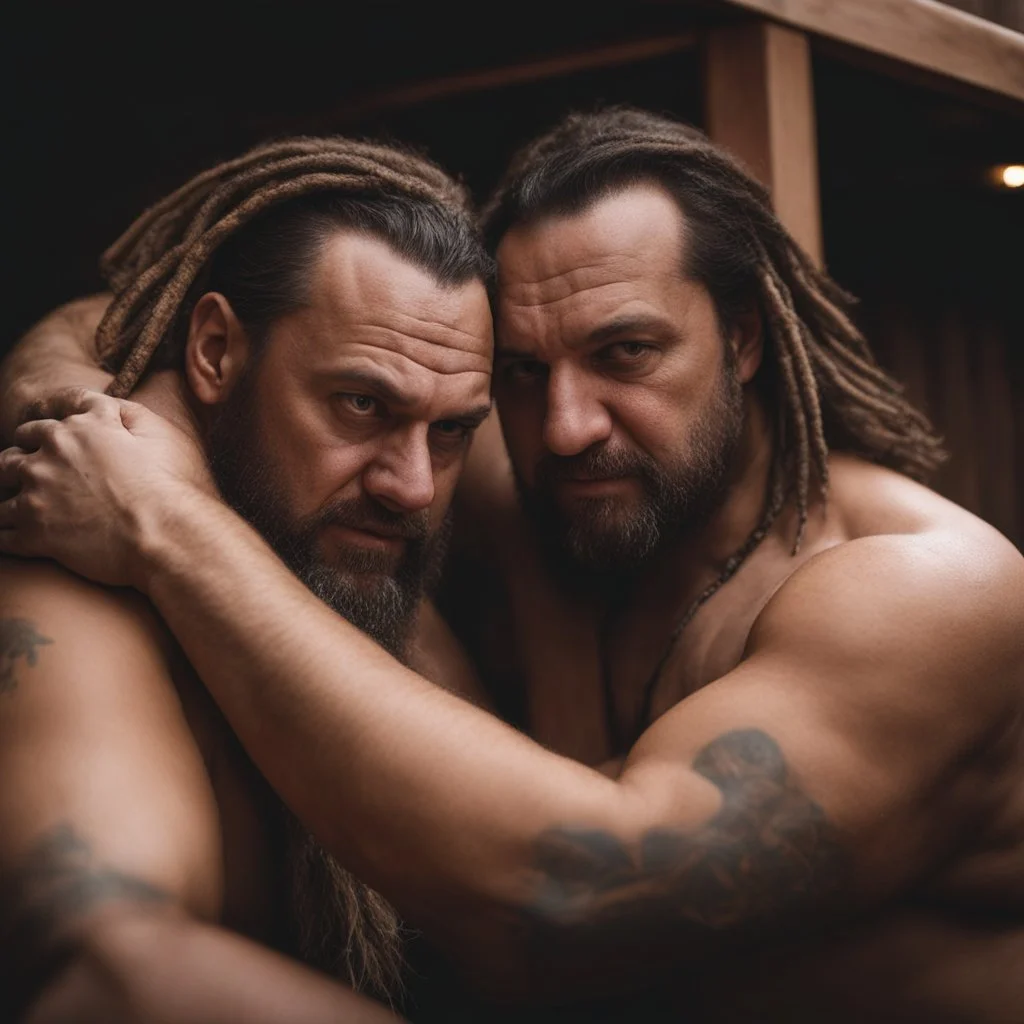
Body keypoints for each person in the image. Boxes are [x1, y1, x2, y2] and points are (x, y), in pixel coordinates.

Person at [5, 107, 1024, 1023]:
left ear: (745, 339)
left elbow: (583, 906)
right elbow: (136, 322)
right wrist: (77, 408)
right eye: (525, 373)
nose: (568, 426)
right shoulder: (516, 469)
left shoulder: (918, 587)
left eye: (627, 353)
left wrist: (165, 523)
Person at [0, 135, 496, 1022]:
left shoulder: (358, 563)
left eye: (453, 430)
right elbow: (108, 970)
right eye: (360, 404)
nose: (412, 486)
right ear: (216, 352)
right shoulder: (76, 591)